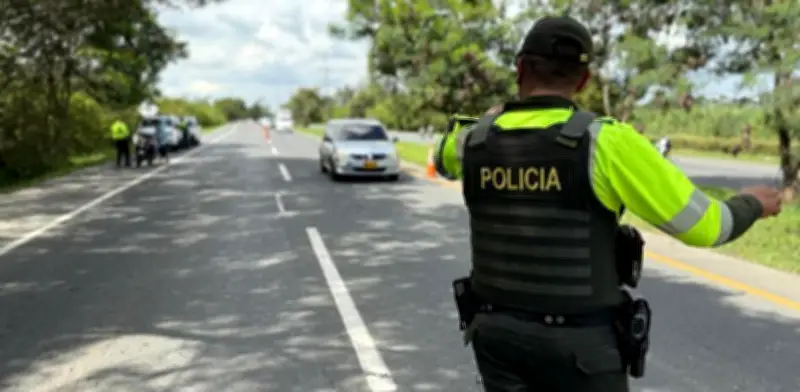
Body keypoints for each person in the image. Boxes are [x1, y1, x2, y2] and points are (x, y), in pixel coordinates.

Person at [435, 15, 784, 392]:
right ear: (583, 81)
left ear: (520, 69)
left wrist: (488, 118)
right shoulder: (607, 143)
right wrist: (753, 203)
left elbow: (440, 159)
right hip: (581, 350)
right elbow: (708, 226)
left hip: (495, 338)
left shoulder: (473, 141)